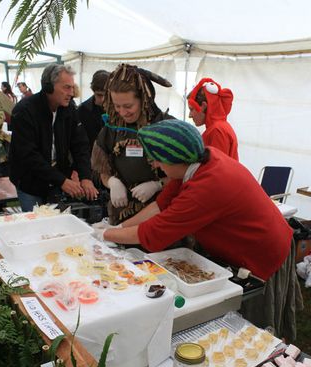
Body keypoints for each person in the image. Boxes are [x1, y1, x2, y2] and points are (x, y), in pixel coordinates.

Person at [95, 119, 302, 342]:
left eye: (157, 161)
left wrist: (105, 234)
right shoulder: (199, 159)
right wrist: (117, 227)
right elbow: (160, 206)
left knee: (252, 325)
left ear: (176, 159)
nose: (155, 166)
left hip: (261, 250)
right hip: (246, 243)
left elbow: (153, 233)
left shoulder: (209, 184)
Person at [9, 63, 98, 211]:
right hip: (30, 183)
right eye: (66, 87)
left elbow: (80, 145)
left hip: (56, 182)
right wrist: (62, 181)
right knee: (36, 226)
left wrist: (85, 177)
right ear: (48, 87)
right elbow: (28, 155)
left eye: (72, 87)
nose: (71, 92)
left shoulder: (68, 109)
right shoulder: (24, 111)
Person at [91, 63, 173, 225]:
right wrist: (112, 182)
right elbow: (101, 171)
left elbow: (185, 174)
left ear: (144, 99)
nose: (122, 112)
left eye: (128, 106)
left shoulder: (166, 127)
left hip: (160, 214)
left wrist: (158, 185)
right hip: (122, 213)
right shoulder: (111, 129)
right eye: (117, 106)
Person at [188, 77, 239, 161]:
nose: (190, 115)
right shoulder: (218, 127)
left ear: (203, 106)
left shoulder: (217, 130)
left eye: (191, 109)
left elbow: (218, 168)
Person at [78, 70, 110, 153]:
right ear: (93, 91)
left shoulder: (119, 110)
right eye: (99, 95)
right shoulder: (82, 110)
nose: (103, 99)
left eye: (106, 95)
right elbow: (79, 142)